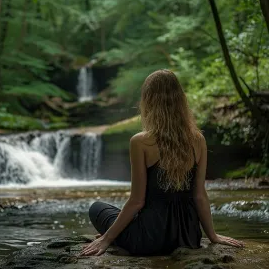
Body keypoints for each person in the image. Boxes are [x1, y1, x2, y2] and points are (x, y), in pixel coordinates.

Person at [80, 69, 244, 257]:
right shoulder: (198, 140)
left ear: (148, 101)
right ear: (180, 100)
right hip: (188, 238)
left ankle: (118, 234)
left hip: (149, 240)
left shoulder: (140, 142)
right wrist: (212, 235)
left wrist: (107, 239)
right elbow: (200, 195)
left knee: (97, 208)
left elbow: (136, 201)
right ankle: (119, 232)